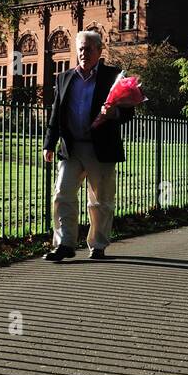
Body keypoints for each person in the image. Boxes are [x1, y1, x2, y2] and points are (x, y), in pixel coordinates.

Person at [41, 30, 134, 261]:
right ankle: (64, 244)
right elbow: (56, 114)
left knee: (100, 200)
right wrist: (49, 144)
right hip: (71, 147)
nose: (84, 52)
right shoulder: (64, 77)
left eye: (89, 48)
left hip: (99, 147)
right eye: (81, 48)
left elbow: (129, 112)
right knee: (62, 195)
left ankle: (98, 245)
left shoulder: (113, 76)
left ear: (100, 51)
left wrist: (115, 113)